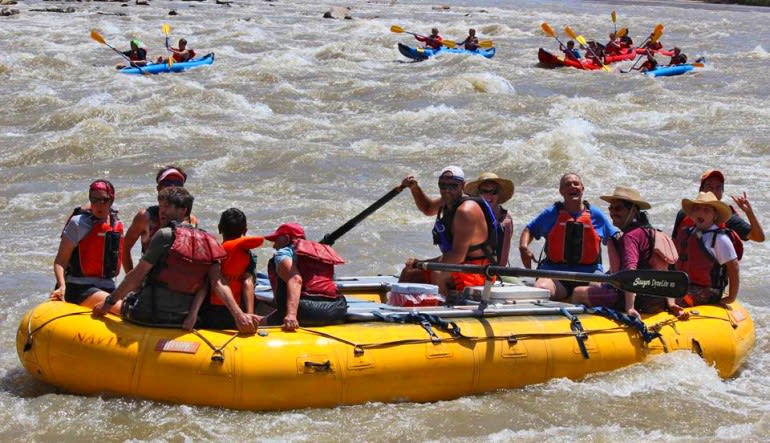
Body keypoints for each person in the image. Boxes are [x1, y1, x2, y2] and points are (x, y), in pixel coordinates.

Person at [92, 187, 260, 333]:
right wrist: (239, 315)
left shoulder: (164, 235)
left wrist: (106, 304)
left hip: (150, 315)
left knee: (123, 300)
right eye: (162, 206)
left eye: (168, 207)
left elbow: (137, 276)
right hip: (183, 318)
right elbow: (218, 283)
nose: (162, 211)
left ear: (183, 210)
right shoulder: (210, 241)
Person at [571, 187, 686, 318]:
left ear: (634, 211)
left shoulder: (630, 237)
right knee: (594, 283)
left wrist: (629, 307)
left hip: (638, 301)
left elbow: (630, 271)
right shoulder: (651, 232)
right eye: (611, 208)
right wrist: (670, 304)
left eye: (618, 208)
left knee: (577, 292)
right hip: (655, 300)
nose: (613, 213)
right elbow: (663, 271)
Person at [399, 166, 498, 297]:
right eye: (442, 186)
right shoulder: (448, 199)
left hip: (478, 271)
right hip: (459, 265)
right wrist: (414, 188)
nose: (447, 190)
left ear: (463, 186)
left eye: (453, 186)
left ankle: (441, 308)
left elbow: (457, 256)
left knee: (437, 272)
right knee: (408, 273)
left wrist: (422, 263)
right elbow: (427, 208)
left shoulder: (466, 211)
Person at [519, 173, 619, 301]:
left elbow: (615, 239)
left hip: (590, 275)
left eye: (576, 184)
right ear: (561, 191)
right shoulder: (551, 213)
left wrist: (615, 270)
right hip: (555, 274)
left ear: (582, 189)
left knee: (602, 292)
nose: (572, 186)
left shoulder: (596, 215)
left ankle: (576, 297)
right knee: (541, 289)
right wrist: (523, 248)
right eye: (567, 185)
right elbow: (529, 230)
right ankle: (571, 298)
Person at [51, 180, 124, 314]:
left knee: (138, 306)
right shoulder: (78, 224)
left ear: (111, 200)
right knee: (125, 309)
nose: (99, 205)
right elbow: (60, 261)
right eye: (94, 200)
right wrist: (61, 286)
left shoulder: (116, 224)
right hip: (80, 288)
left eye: (104, 200)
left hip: (108, 287)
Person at [264, 223, 348, 331]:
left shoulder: (284, 252)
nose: (274, 245)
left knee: (260, 321)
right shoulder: (320, 252)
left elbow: (296, 279)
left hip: (304, 310)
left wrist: (291, 315)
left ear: (286, 239)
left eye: (276, 240)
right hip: (336, 309)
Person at [192, 208, 264, 330]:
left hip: (211, 314)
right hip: (236, 315)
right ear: (245, 230)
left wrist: (192, 314)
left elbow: (204, 284)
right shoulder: (249, 255)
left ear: (220, 228)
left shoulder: (213, 252)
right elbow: (248, 283)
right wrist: (249, 314)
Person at [122, 166, 198, 273]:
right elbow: (125, 249)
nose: (172, 187)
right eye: (167, 183)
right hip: (149, 278)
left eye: (177, 183)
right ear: (158, 189)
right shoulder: (145, 217)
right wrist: (132, 281)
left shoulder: (191, 220)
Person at [674, 192, 741, 307]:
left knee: (675, 300)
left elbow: (733, 267)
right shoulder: (688, 232)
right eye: (697, 209)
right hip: (685, 285)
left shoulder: (720, 239)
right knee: (657, 296)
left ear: (715, 215)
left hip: (708, 291)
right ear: (692, 213)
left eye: (706, 210)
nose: (701, 213)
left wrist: (731, 297)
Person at [672, 169, 765, 244]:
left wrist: (749, 213)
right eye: (709, 186)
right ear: (701, 189)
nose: (714, 191)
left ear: (722, 192)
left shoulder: (728, 218)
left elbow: (759, 238)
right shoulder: (684, 214)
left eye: (718, 188)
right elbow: (674, 245)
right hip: (684, 266)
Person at [464, 172, 514, 266]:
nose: (488, 196)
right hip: (469, 266)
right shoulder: (469, 215)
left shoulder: (505, 221)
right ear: (478, 194)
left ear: (499, 194)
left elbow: (502, 261)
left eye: (493, 192)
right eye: (484, 191)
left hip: (495, 271)